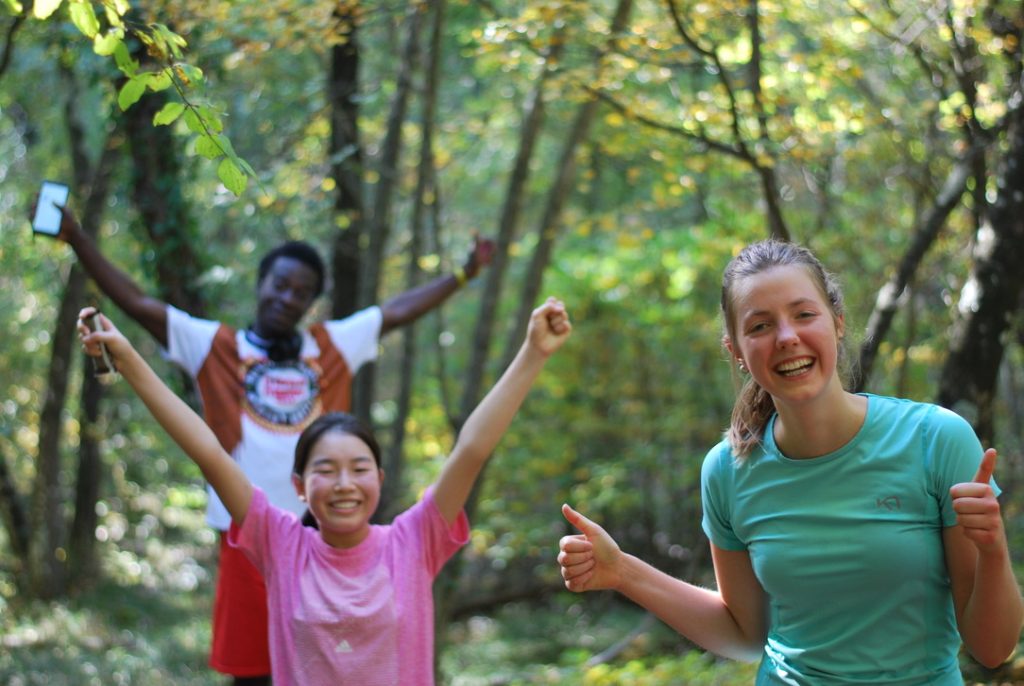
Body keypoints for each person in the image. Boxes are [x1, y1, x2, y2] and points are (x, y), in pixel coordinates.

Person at [50, 203, 494, 684]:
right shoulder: (217, 345)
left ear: (312, 304)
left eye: (301, 293)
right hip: (254, 534)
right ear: (261, 283)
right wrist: (77, 238)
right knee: (252, 667)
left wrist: (464, 274)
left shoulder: (329, 346)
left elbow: (397, 312)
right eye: (280, 285)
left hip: (327, 532)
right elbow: (138, 304)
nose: (288, 298)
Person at [557, 239, 1022, 685]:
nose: (786, 338)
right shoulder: (728, 470)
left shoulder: (935, 439)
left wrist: (993, 548)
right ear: (736, 351)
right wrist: (622, 572)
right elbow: (744, 636)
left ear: (837, 322)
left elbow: (991, 649)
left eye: (804, 315)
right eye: (759, 326)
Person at [78, 296, 571, 686]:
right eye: (325, 470)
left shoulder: (414, 540)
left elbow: (471, 450)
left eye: (359, 468)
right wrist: (128, 360)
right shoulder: (280, 544)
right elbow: (207, 450)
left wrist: (532, 353)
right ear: (299, 485)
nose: (343, 484)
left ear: (379, 479)